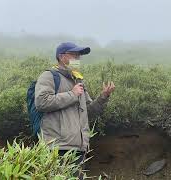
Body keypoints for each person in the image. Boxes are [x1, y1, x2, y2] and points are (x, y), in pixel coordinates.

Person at [34, 42, 115, 178]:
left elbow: (88, 112)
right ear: (61, 56)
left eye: (79, 56)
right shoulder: (49, 76)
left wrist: (103, 97)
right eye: (74, 55)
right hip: (57, 148)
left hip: (79, 148)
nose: (77, 58)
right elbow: (41, 102)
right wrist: (72, 94)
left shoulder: (78, 81)